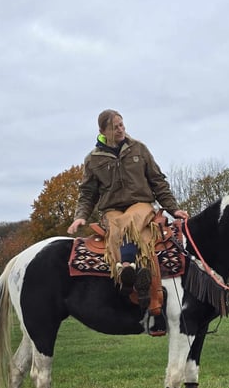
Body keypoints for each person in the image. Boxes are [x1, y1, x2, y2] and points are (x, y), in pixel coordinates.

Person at [67, 109, 188, 311]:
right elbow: (87, 193)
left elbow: (158, 182)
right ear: (102, 131)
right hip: (111, 208)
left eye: (122, 125)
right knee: (115, 227)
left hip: (141, 204)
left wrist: (173, 209)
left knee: (130, 221)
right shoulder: (93, 159)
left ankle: (127, 268)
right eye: (115, 127)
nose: (121, 129)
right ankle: (130, 276)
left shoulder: (139, 149)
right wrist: (80, 217)